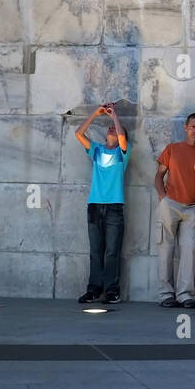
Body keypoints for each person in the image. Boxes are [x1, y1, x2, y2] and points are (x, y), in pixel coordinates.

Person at [74, 103, 129, 304]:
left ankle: (112, 291)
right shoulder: (96, 149)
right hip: (94, 205)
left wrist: (115, 116)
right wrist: (95, 114)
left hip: (114, 206)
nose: (112, 129)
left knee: (112, 251)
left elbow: (122, 139)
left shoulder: (123, 152)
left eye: (115, 128)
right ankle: (94, 289)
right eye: (110, 128)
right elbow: (79, 133)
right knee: (95, 250)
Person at [153, 112, 195, 309]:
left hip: (193, 208)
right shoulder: (172, 149)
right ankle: (166, 294)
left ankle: (185, 295)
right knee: (165, 248)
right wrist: (163, 197)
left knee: (190, 250)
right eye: (192, 126)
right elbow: (159, 176)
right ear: (186, 128)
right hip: (171, 204)